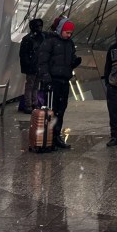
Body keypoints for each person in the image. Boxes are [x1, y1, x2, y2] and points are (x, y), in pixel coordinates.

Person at [36, 20, 82, 149]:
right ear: (61, 30)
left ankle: (56, 136)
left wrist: (74, 63)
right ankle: (47, 138)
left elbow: (69, 61)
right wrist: (46, 79)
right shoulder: (50, 42)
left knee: (61, 110)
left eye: (70, 33)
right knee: (52, 110)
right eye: (67, 32)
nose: (69, 35)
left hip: (63, 81)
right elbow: (42, 62)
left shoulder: (69, 44)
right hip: (53, 81)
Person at [18, 18, 45, 113]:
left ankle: (32, 104)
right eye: (38, 26)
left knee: (33, 86)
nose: (40, 28)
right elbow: (23, 54)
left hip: (36, 65)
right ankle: (30, 104)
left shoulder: (33, 38)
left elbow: (24, 54)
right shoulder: (31, 38)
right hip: (33, 66)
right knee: (31, 86)